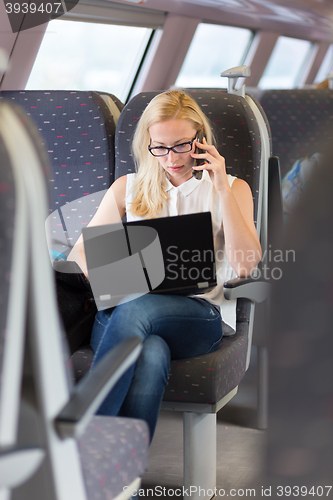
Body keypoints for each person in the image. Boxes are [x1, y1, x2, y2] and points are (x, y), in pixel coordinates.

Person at [67, 90, 262, 442]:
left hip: (196, 315)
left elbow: (246, 265)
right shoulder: (128, 189)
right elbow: (78, 254)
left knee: (138, 309)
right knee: (152, 353)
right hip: (122, 312)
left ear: (200, 140)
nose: (170, 158)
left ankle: (83, 445)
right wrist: (113, 269)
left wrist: (220, 189)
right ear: (148, 143)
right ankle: (123, 483)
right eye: (160, 147)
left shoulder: (234, 189)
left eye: (181, 146)